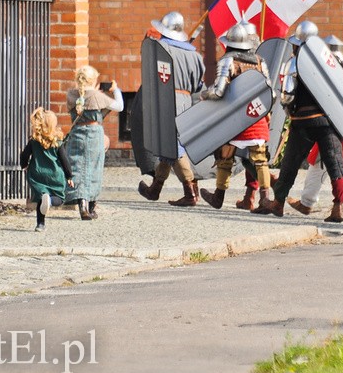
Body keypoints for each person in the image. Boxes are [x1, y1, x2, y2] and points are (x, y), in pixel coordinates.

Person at [253, 20, 343, 222]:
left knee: (290, 164)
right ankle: (338, 207)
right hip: (328, 121)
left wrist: (289, 111)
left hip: (303, 121)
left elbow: (287, 95)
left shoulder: (294, 62)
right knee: (335, 164)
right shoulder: (331, 60)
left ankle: (278, 203)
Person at [288, 34, 343, 221]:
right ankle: (308, 202)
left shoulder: (325, 70)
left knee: (327, 166)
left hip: (337, 129)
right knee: (329, 166)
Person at [198, 21, 274, 210]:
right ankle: (264, 198)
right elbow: (270, 93)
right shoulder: (259, 61)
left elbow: (218, 91)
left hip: (234, 120)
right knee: (260, 160)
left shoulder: (228, 61)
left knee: (225, 158)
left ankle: (219, 196)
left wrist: (204, 94)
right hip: (256, 117)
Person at [135, 11, 205, 207]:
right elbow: (198, 84)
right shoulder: (194, 53)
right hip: (186, 100)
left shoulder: (159, 48)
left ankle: (190, 192)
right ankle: (154, 189)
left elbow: (149, 70)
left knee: (173, 146)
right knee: (169, 145)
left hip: (165, 99)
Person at [64, 65, 123, 220]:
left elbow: (83, 99)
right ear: (93, 79)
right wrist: (115, 90)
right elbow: (120, 106)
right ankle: (91, 207)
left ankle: (81, 205)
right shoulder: (97, 96)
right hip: (94, 134)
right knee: (94, 168)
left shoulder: (71, 94)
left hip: (77, 134)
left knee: (77, 168)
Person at [20, 107, 74, 232]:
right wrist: (69, 176)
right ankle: (49, 200)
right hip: (54, 174)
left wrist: (24, 165)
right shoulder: (57, 142)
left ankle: (40, 224)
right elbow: (64, 160)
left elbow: (24, 155)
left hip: (37, 174)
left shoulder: (34, 141)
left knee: (41, 198)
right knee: (60, 198)